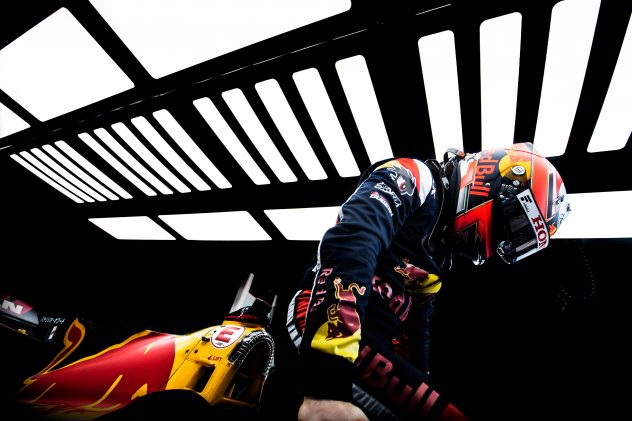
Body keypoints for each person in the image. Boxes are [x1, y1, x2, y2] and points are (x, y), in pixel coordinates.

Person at [285, 142, 571, 420]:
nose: (502, 241)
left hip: (367, 345)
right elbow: (353, 242)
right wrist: (326, 387)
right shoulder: (414, 178)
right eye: (513, 224)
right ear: (492, 178)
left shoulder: (442, 255)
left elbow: (416, 327)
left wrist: (421, 378)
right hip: (320, 322)